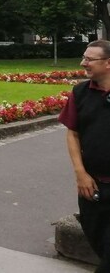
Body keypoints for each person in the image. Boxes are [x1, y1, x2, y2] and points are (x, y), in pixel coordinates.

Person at [59, 39, 110, 272]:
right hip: (92, 187)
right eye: (84, 57)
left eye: (89, 59)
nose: (83, 63)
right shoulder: (80, 92)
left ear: (108, 63)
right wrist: (80, 173)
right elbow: (73, 133)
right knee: (98, 241)